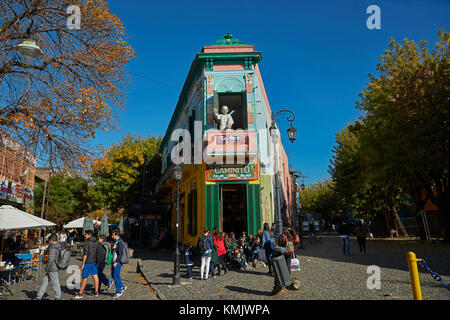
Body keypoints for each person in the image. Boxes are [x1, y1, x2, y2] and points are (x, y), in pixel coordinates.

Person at [35, 233, 62, 300]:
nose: (49, 242)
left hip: (52, 268)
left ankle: (58, 297)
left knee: (55, 283)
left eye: (49, 240)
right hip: (55, 266)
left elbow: (51, 259)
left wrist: (47, 268)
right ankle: (39, 296)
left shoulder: (53, 247)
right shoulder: (59, 246)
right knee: (45, 281)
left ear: (52, 240)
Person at [74, 230, 99, 299]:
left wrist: (83, 264)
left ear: (89, 235)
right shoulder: (97, 242)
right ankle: (96, 292)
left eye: (85, 234)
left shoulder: (87, 243)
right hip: (94, 261)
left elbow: (85, 254)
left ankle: (80, 293)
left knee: (84, 278)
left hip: (88, 262)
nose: (84, 236)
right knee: (95, 276)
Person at [111, 228, 127, 298]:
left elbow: (120, 254)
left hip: (117, 262)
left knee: (116, 276)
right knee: (113, 275)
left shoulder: (120, 242)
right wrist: (113, 248)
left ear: (116, 234)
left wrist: (116, 262)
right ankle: (122, 286)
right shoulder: (116, 241)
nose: (112, 236)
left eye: (113, 235)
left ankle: (118, 291)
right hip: (114, 261)